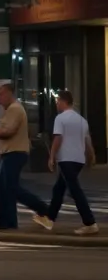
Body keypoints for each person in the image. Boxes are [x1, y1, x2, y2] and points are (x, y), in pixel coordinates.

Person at [32, 90, 98, 235]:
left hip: (66, 158)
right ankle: (49, 219)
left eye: (57, 102)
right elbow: (87, 141)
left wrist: (52, 156)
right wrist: (91, 157)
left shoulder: (60, 119)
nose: (56, 104)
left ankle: (90, 222)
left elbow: (58, 138)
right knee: (59, 189)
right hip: (78, 160)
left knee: (75, 190)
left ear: (63, 101)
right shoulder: (82, 120)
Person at [0, 82, 48, 230]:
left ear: (9, 93)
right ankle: (7, 221)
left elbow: (9, 131)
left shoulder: (14, 109)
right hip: (12, 153)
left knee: (9, 188)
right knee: (5, 188)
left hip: (14, 153)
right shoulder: (11, 109)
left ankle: (42, 209)